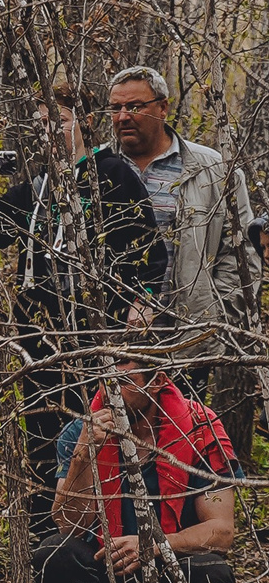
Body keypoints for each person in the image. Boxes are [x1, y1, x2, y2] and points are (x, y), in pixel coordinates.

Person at [0, 82, 164, 537]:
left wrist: (141, 306)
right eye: (41, 124)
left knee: (92, 430)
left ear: (84, 123)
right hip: (39, 337)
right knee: (41, 430)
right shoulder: (39, 185)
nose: (47, 132)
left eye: (58, 122)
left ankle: (98, 528)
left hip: (96, 336)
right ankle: (45, 526)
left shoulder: (114, 175)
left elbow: (151, 252)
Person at [36, 318, 240, 583]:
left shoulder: (199, 428)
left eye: (125, 383)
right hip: (106, 565)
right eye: (106, 381)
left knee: (218, 578)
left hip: (171, 568)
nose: (112, 394)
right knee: (54, 553)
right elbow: (68, 524)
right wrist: (85, 452)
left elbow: (222, 531)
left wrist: (155, 545)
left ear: (158, 381)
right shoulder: (82, 428)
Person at [105, 65, 260, 466]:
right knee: (110, 442)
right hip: (108, 334)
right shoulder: (95, 169)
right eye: (115, 108)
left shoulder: (212, 169)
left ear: (163, 108)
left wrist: (215, 316)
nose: (123, 117)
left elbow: (241, 255)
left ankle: (183, 526)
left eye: (135, 106)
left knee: (180, 445)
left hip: (182, 335)